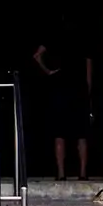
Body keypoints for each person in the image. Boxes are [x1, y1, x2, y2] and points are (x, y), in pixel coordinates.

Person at [30, 39, 92, 179]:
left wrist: (49, 71)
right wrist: (87, 95)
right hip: (79, 90)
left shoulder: (55, 36)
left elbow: (36, 56)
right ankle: (82, 173)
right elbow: (88, 74)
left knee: (59, 133)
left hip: (60, 88)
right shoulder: (84, 42)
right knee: (81, 134)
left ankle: (61, 173)